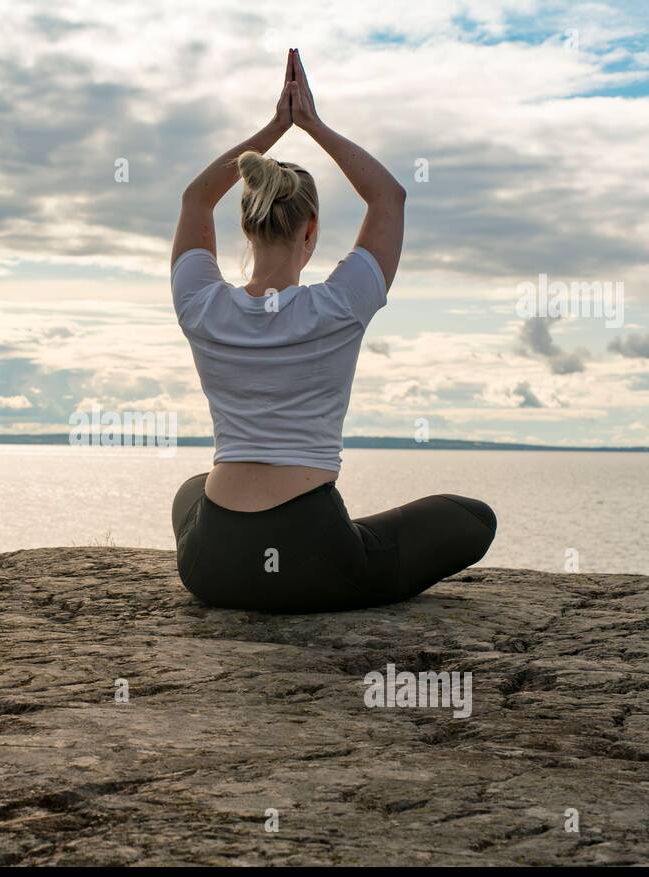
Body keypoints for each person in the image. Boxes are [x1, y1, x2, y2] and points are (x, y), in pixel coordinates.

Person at [169, 49, 496, 613]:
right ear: (312, 229)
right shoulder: (339, 306)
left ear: (245, 225)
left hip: (212, 563)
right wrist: (312, 125)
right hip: (311, 557)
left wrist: (273, 130)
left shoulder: (201, 305)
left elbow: (196, 197)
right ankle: (342, 536)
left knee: (191, 492)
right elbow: (389, 196)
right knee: (472, 519)